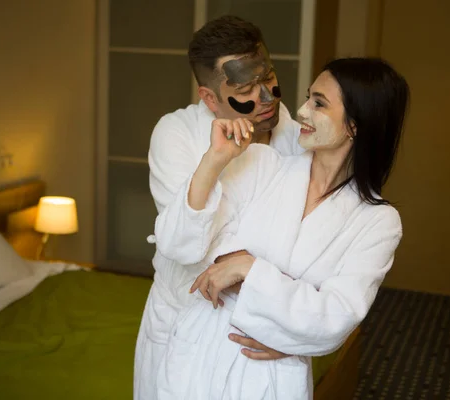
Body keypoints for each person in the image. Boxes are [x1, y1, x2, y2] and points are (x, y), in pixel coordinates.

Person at [153, 57, 409, 399]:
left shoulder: (377, 222)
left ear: (355, 125)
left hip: (268, 379)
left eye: (318, 103)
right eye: (307, 97)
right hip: (196, 358)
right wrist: (214, 160)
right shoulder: (260, 164)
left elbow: (333, 320)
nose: (301, 111)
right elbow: (182, 247)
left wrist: (249, 268)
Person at [134, 16, 303, 399]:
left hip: (266, 330)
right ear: (209, 98)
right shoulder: (175, 133)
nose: (267, 97)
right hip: (184, 324)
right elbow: (183, 247)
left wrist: (298, 331)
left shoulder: (297, 135)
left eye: (269, 77)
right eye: (246, 87)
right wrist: (214, 162)